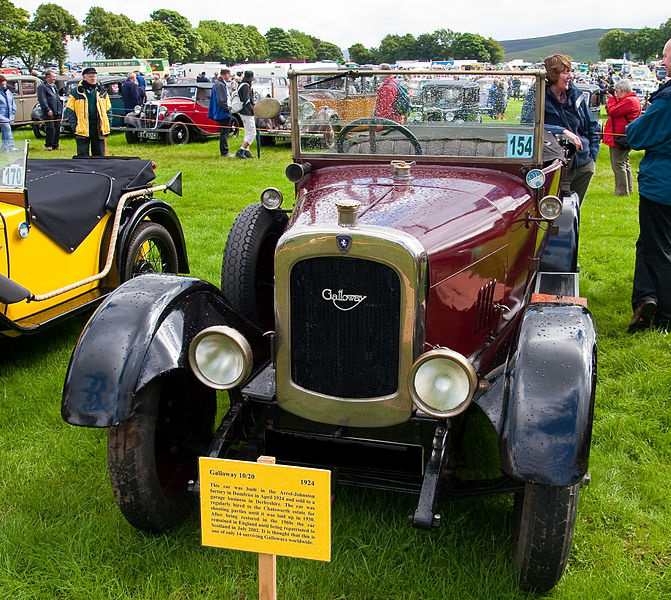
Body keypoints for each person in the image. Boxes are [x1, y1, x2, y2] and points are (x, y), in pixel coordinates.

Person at [624, 38, 671, 332]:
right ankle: (645, 298)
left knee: (658, 249)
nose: (663, 62)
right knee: (649, 245)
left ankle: (664, 315)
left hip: (663, 184)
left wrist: (634, 127)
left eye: (666, 56)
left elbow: (637, 134)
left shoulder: (667, 100)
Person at [542, 54, 600, 204]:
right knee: (557, 214)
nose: (570, 77)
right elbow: (529, 126)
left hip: (584, 165)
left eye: (570, 72)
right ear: (553, 75)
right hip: (557, 166)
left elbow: (592, 126)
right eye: (565, 72)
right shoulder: (538, 97)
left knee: (573, 212)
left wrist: (592, 156)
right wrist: (561, 131)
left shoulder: (575, 95)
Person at [603, 79, 641, 196]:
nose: (616, 94)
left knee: (618, 164)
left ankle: (621, 191)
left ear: (624, 91)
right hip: (624, 136)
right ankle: (628, 188)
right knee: (625, 163)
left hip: (619, 137)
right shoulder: (633, 99)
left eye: (618, 92)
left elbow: (612, 111)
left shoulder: (628, 101)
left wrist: (611, 99)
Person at [63, 67, 112, 157]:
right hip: (82, 127)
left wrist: (108, 124)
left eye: (94, 76)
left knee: (99, 155)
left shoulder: (102, 91)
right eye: (90, 77)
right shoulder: (75, 92)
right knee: (82, 155)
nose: (93, 78)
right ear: (84, 77)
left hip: (98, 126)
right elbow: (70, 110)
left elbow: (108, 109)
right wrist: (75, 126)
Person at [208, 68, 234, 157]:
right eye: (229, 75)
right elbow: (221, 100)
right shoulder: (219, 84)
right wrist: (227, 109)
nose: (229, 77)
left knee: (224, 132)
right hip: (222, 112)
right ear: (225, 74)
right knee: (224, 133)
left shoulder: (220, 83)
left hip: (223, 111)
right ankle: (224, 152)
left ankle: (225, 151)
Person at [37, 69, 62, 151]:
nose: (54, 79)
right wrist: (47, 109)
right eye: (53, 77)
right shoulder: (42, 87)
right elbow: (42, 99)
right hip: (49, 111)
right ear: (47, 77)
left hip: (57, 110)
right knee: (50, 128)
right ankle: (49, 145)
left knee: (57, 128)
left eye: (55, 77)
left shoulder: (54, 86)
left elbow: (57, 97)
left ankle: (56, 144)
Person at [236, 71, 255, 159]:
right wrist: (253, 110)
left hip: (243, 112)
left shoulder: (241, 84)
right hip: (247, 112)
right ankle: (241, 150)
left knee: (247, 132)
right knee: (252, 133)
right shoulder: (246, 87)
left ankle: (246, 151)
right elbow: (247, 101)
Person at [0, 75, 17, 151]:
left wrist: (13, 112)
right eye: (2, 81)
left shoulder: (8, 92)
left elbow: (12, 103)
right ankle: (11, 146)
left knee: (4, 131)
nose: (4, 83)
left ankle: (4, 147)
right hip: (1, 116)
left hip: (9, 116)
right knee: (7, 130)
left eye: (4, 81)